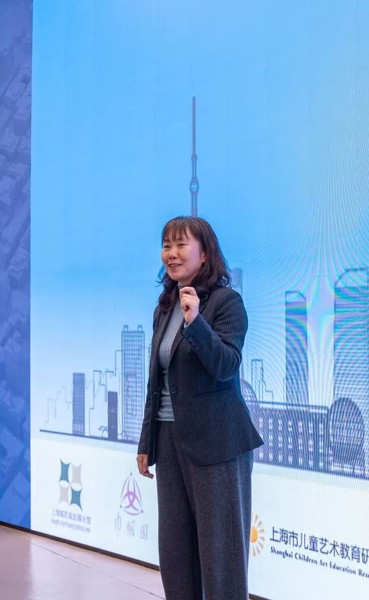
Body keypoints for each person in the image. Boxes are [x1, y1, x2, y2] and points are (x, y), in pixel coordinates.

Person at [137, 216, 263, 600]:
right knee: (176, 554)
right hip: (169, 440)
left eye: (181, 245)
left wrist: (195, 323)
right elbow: (158, 380)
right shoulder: (164, 307)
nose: (171, 254)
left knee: (221, 557)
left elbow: (226, 366)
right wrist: (146, 442)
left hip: (216, 443)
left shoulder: (226, 302)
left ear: (205, 253)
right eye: (166, 246)